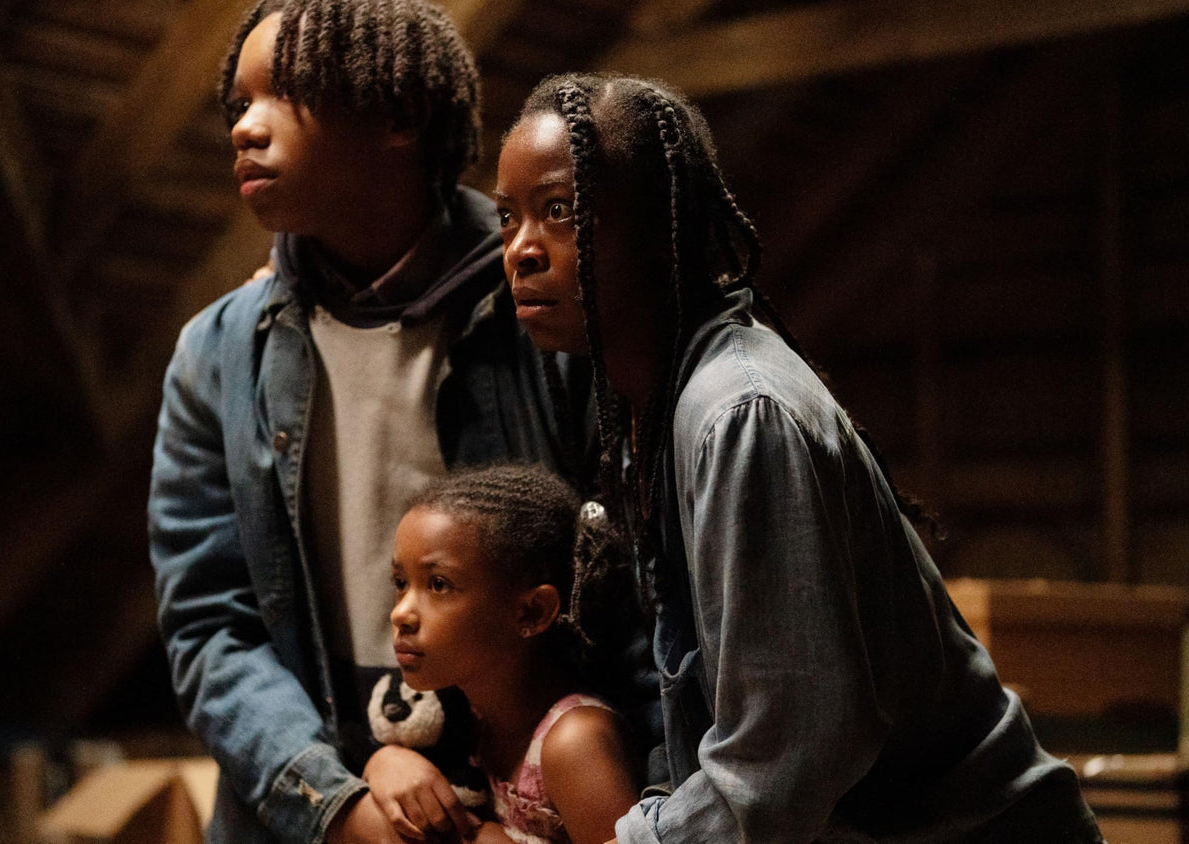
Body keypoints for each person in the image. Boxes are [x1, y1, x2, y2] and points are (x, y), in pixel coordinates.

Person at [492, 72, 1104, 843]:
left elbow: (780, 766)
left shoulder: (738, 414)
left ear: (656, 226)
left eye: (559, 211)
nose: (520, 250)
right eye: (507, 217)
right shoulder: (661, 413)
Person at [147, 4, 585, 842]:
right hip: (305, 810)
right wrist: (336, 807)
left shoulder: (544, 319)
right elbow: (209, 626)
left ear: (399, 113)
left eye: (284, 93)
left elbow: (619, 598)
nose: (245, 127)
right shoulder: (218, 354)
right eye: (238, 104)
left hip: (519, 809)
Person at [375, 464, 642, 844]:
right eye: (401, 583)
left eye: (438, 584)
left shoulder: (574, 741)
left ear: (531, 612)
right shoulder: (456, 714)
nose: (400, 613)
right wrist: (384, 761)